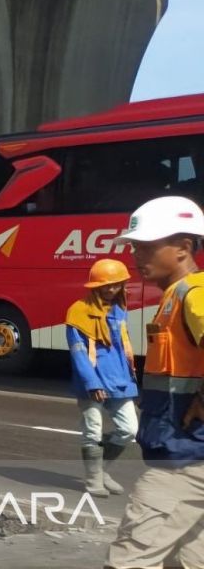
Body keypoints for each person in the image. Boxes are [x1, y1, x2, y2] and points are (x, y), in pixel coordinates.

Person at [107, 196, 204, 569]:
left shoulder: (193, 295)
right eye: (135, 246)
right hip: (186, 455)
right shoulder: (174, 297)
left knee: (129, 561)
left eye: (147, 246)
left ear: (183, 248)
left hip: (186, 464)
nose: (136, 255)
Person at [65, 258, 138, 497]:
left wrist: (130, 378)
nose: (110, 290)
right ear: (94, 286)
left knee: (129, 429)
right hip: (92, 382)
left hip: (119, 379)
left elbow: (122, 347)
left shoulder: (119, 310)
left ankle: (103, 469)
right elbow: (78, 353)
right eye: (106, 285)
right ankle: (93, 479)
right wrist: (91, 383)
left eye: (116, 285)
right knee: (92, 430)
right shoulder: (78, 312)